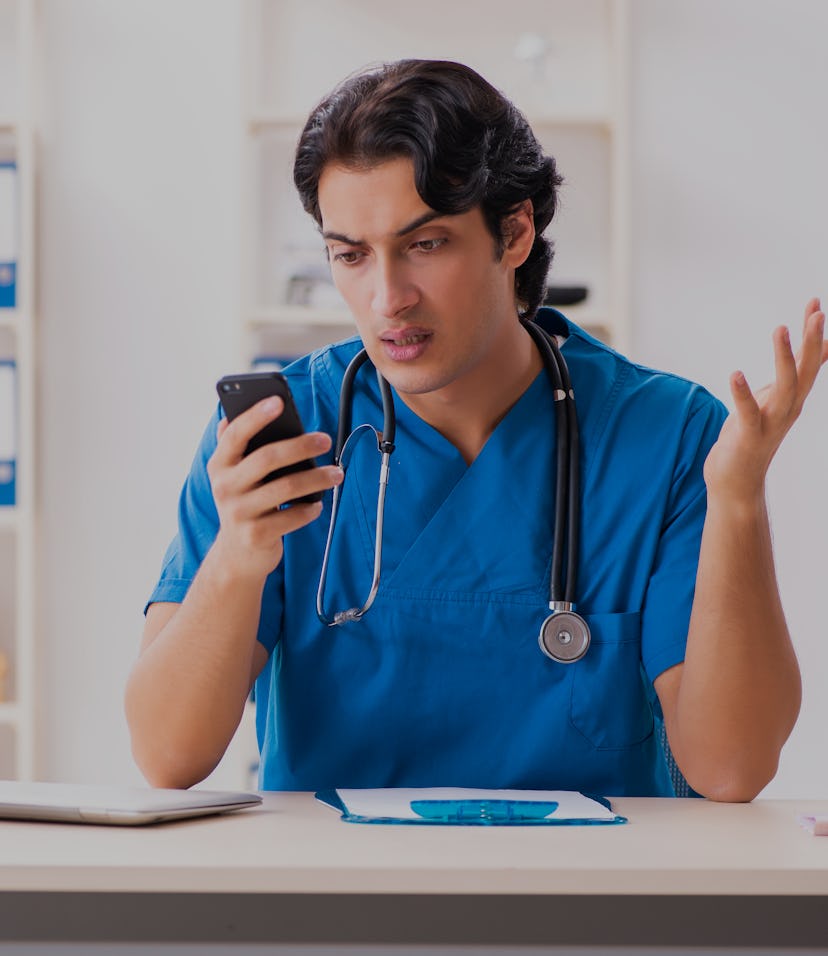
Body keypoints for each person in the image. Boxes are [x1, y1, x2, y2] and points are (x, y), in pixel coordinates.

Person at [126, 59, 827, 801]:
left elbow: (731, 768)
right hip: (335, 877)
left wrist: (738, 500)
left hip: (593, 878)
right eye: (351, 255)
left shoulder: (668, 436)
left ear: (515, 231)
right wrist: (237, 558)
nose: (387, 298)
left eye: (425, 244)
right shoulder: (276, 438)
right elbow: (167, 756)